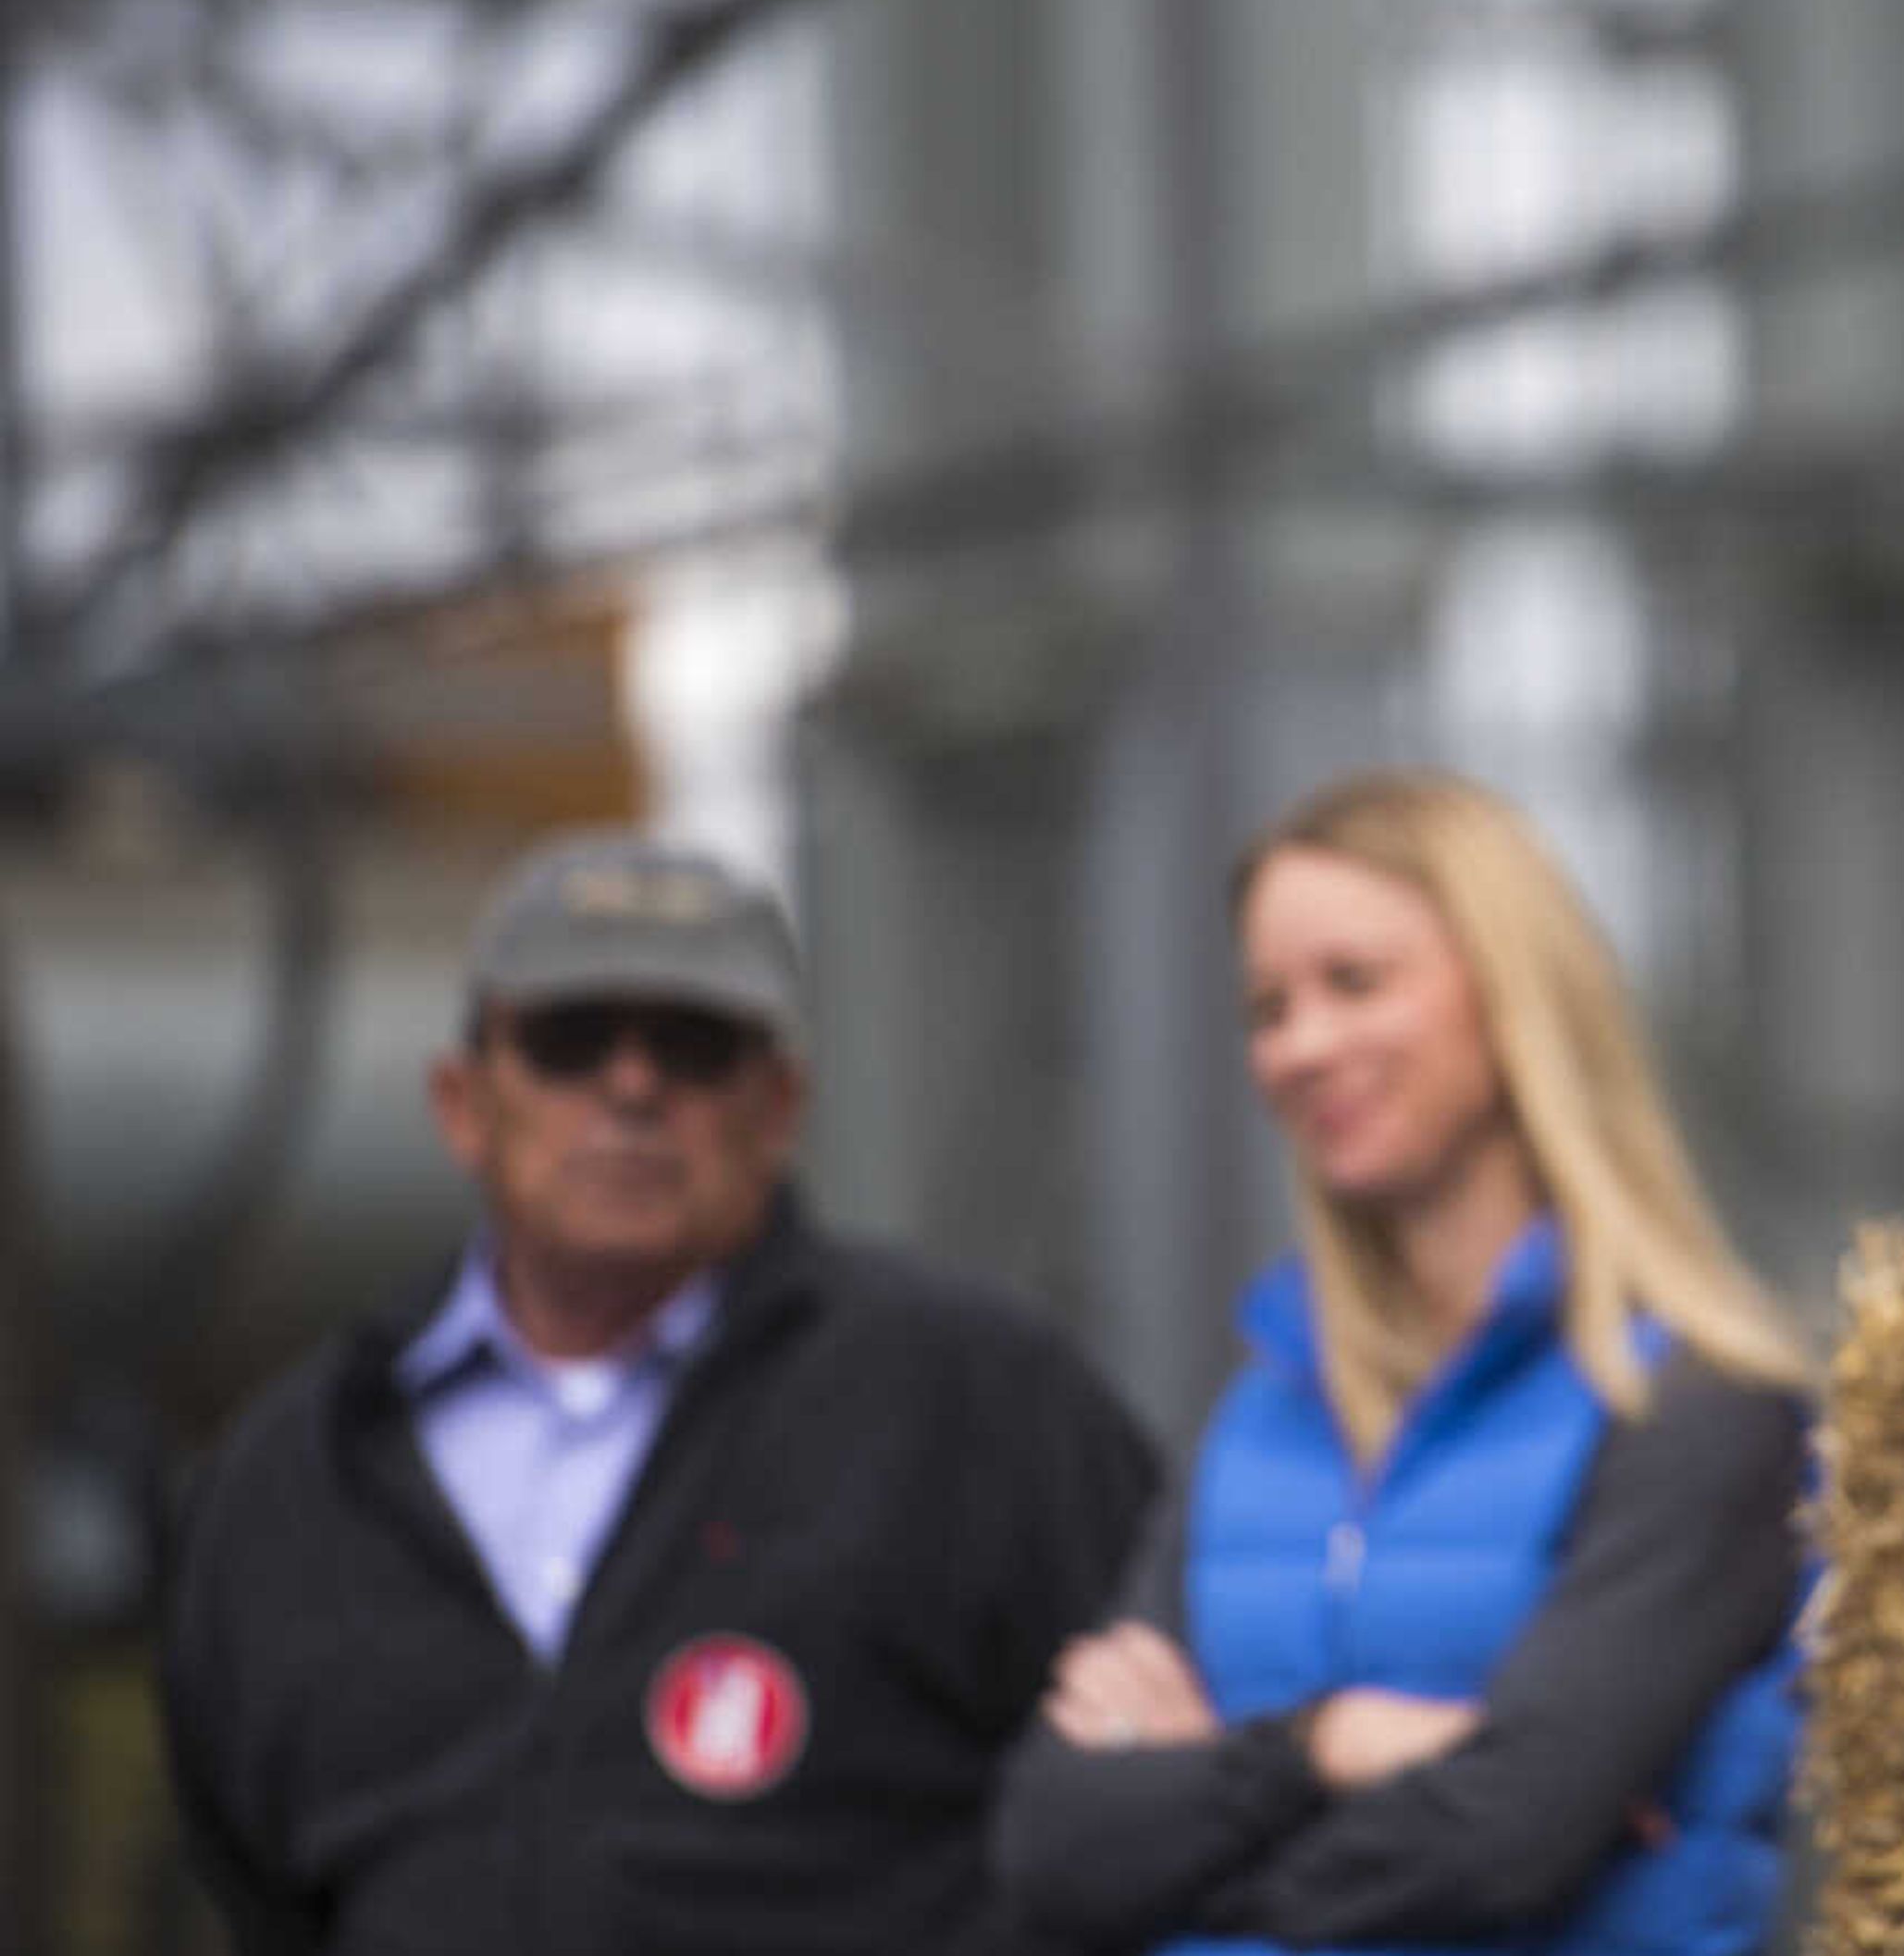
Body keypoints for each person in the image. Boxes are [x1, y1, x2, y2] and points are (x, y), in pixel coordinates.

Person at [160, 831, 1159, 1954]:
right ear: (462, 1104)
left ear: (780, 1105)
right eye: (569, 1040)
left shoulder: (981, 1402)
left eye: (694, 1045)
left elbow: (1159, 1818)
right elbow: (249, 1876)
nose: (632, 1086)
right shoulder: (296, 1474)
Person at [992, 770, 1811, 1956]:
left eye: (1355, 983)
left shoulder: (1697, 1408)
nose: (1303, 1045)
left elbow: (1505, 1846)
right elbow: (1049, 1849)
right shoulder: (1265, 1415)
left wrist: (1187, 1842)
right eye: (1268, 1008)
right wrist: (1322, 1745)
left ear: (1512, 994)